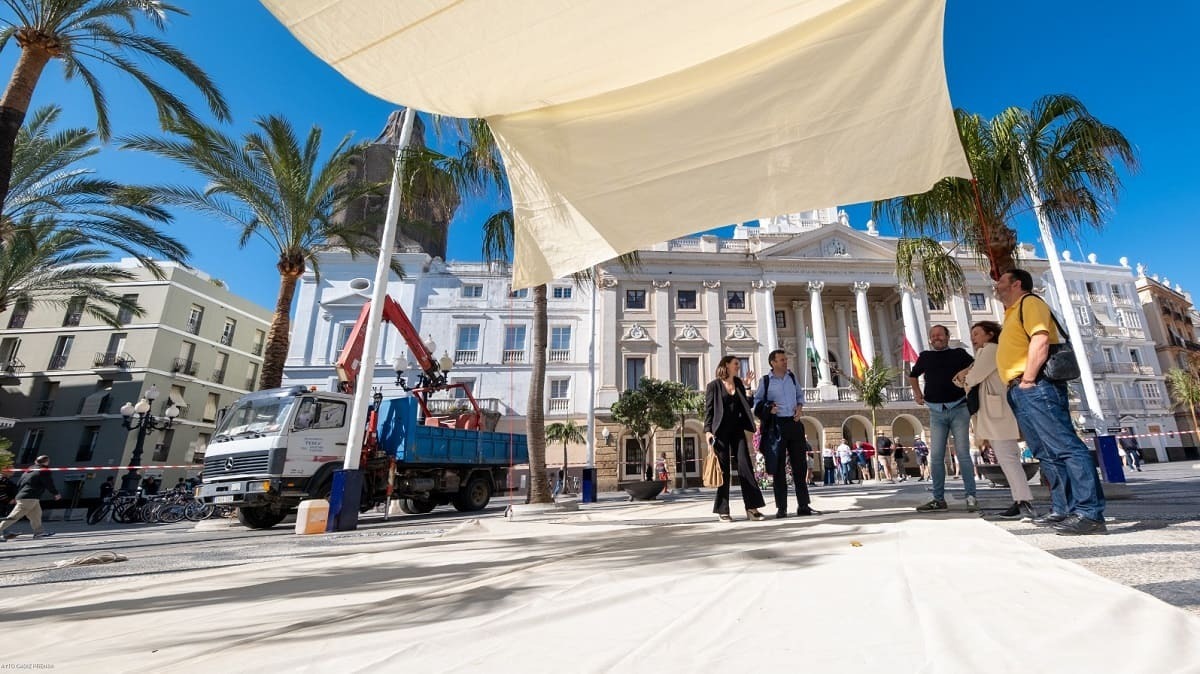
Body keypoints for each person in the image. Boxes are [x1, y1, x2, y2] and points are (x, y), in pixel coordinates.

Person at [995, 268, 1106, 535]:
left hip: (1036, 385)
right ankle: (1063, 508)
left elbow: (1040, 339)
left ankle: (1090, 513)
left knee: (1066, 447)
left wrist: (1028, 378)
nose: (996, 286)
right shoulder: (1011, 312)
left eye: (1001, 281)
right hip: (1020, 388)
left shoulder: (1030, 302)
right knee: (1045, 451)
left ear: (1016, 284)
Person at [956, 320, 1036, 520]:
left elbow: (970, 378)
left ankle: (1024, 503)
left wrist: (966, 376)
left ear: (990, 334)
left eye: (977, 333)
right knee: (1007, 458)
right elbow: (962, 379)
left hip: (997, 412)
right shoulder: (984, 353)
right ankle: (1020, 500)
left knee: (1008, 458)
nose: (973, 338)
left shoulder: (991, 350)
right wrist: (965, 376)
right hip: (993, 411)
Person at [910, 325, 977, 512]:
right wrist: (917, 393)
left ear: (948, 336)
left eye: (940, 334)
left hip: (959, 408)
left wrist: (966, 375)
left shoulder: (959, 353)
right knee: (936, 456)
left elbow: (976, 366)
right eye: (933, 335)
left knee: (963, 454)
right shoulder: (926, 356)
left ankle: (971, 496)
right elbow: (913, 376)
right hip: (936, 411)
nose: (936, 337)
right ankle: (938, 499)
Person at [753, 349, 819, 518]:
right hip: (776, 427)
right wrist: (769, 409)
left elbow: (800, 396)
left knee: (800, 466)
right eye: (782, 359)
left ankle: (803, 505)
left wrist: (800, 408)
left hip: (794, 423)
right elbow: (757, 403)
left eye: (785, 359)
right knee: (778, 468)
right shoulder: (766, 381)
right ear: (773, 362)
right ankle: (781, 508)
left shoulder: (792, 378)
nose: (785, 362)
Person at [704, 355, 767, 522]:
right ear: (726, 365)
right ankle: (722, 510)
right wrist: (707, 431)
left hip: (737, 430)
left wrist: (747, 387)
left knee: (745, 467)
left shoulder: (738, 383)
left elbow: (748, 404)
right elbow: (708, 411)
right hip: (720, 432)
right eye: (736, 364)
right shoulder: (714, 386)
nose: (738, 366)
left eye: (738, 364)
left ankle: (752, 508)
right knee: (723, 470)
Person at [1, 455, 62, 540]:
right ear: (47, 462)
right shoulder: (43, 470)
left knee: (36, 515)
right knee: (14, 516)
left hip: (28, 497)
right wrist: (55, 493)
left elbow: (20, 482)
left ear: (36, 461)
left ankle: (39, 533)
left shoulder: (29, 470)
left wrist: (18, 494)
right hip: (29, 497)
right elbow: (48, 483)